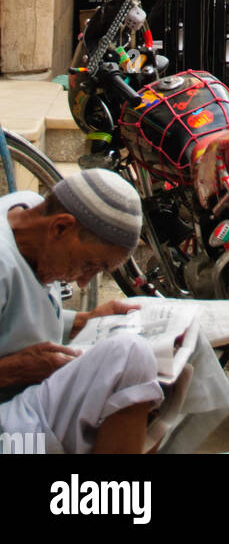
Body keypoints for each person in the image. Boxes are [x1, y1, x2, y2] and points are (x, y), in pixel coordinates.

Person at [0, 170, 162, 454]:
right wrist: (14, 370)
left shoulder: (26, 210)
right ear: (61, 227)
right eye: (89, 264)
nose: (83, 282)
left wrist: (80, 322)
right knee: (130, 356)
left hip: (22, 407)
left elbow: (15, 314)